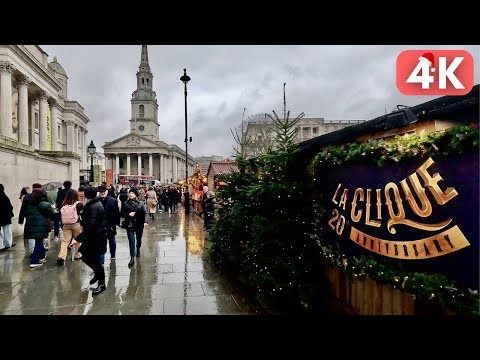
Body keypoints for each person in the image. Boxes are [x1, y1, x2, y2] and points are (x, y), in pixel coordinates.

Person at [71, 186, 108, 296]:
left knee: (90, 259)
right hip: (95, 236)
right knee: (91, 259)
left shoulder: (93, 206)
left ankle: (101, 283)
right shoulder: (94, 204)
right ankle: (98, 275)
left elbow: (91, 226)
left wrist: (77, 239)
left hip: (95, 237)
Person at [20, 188, 53, 269]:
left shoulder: (29, 204)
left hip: (30, 226)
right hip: (41, 226)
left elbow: (25, 213)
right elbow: (50, 214)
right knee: (38, 243)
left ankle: (41, 257)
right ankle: (34, 261)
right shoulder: (45, 204)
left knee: (39, 241)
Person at [121, 188, 148, 267]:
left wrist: (145, 222)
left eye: (132, 193)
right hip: (129, 225)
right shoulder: (125, 204)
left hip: (139, 224)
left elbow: (145, 213)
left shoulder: (140, 203)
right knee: (131, 240)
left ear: (135, 194)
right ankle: (132, 257)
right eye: (130, 193)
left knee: (138, 239)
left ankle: (138, 248)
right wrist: (128, 214)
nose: (131, 194)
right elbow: (122, 214)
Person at [57, 189, 84, 265]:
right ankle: (77, 254)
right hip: (76, 224)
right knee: (77, 240)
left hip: (66, 225)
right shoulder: (79, 204)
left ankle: (61, 257)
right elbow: (81, 214)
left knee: (65, 241)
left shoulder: (63, 204)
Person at [97, 184, 120, 263]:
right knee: (100, 244)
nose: (102, 193)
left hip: (110, 225)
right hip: (100, 226)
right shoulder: (96, 200)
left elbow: (116, 213)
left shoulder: (113, 201)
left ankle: (112, 254)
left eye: (104, 191)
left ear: (107, 191)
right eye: (101, 192)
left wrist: (117, 223)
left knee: (112, 241)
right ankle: (101, 262)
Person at [0, 184, 15, 252]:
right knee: (7, 230)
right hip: (6, 217)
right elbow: (10, 207)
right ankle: (8, 244)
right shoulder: (5, 197)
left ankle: (1, 245)